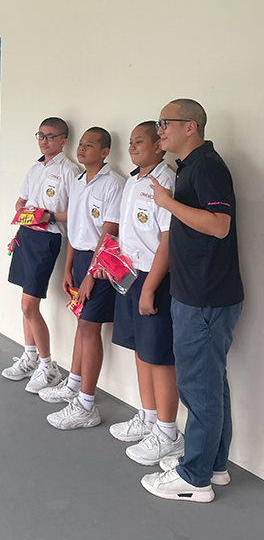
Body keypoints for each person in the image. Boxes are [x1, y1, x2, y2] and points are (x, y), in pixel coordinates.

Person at [141, 99, 244, 503]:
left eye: (165, 123)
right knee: (210, 387)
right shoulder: (191, 167)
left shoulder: (207, 167)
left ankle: (194, 479)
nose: (159, 129)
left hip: (204, 298)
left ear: (191, 127)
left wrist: (167, 203)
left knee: (199, 390)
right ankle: (213, 465)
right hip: (200, 294)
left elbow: (220, 226)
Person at [108, 122, 183, 468]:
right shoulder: (134, 180)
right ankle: (148, 418)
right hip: (129, 275)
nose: (133, 148)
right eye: (131, 143)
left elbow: (167, 242)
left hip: (154, 278)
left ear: (159, 146)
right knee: (140, 349)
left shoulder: (165, 182)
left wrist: (150, 288)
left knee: (158, 355)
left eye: (140, 142)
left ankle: (168, 433)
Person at [41, 127, 123, 430]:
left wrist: (90, 275)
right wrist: (67, 268)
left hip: (101, 263)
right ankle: (73, 385)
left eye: (91, 145)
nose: (82, 149)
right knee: (82, 324)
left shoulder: (114, 184)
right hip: (79, 261)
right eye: (81, 144)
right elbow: (75, 228)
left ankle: (86, 404)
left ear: (104, 152)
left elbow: (108, 233)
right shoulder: (77, 182)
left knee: (90, 327)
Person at [1, 118, 76, 393]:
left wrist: (50, 216)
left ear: (63, 140)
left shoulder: (69, 171)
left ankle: (48, 366)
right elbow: (21, 200)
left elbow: (75, 212)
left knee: (29, 305)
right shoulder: (35, 168)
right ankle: (30, 356)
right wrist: (24, 209)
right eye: (40, 136)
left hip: (47, 238)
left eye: (50, 137)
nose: (44, 141)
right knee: (25, 301)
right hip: (26, 235)